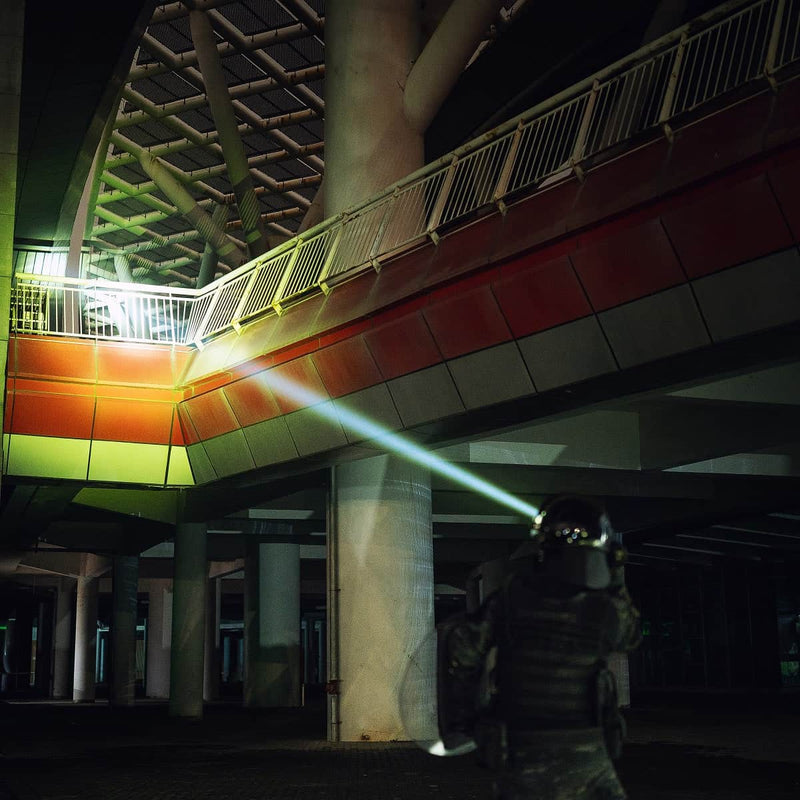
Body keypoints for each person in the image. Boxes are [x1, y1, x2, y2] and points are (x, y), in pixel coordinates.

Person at [438, 495, 641, 799]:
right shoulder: (603, 606)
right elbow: (631, 636)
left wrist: (469, 721)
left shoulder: (510, 598)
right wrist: (616, 576)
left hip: (523, 748)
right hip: (587, 748)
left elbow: (462, 650)